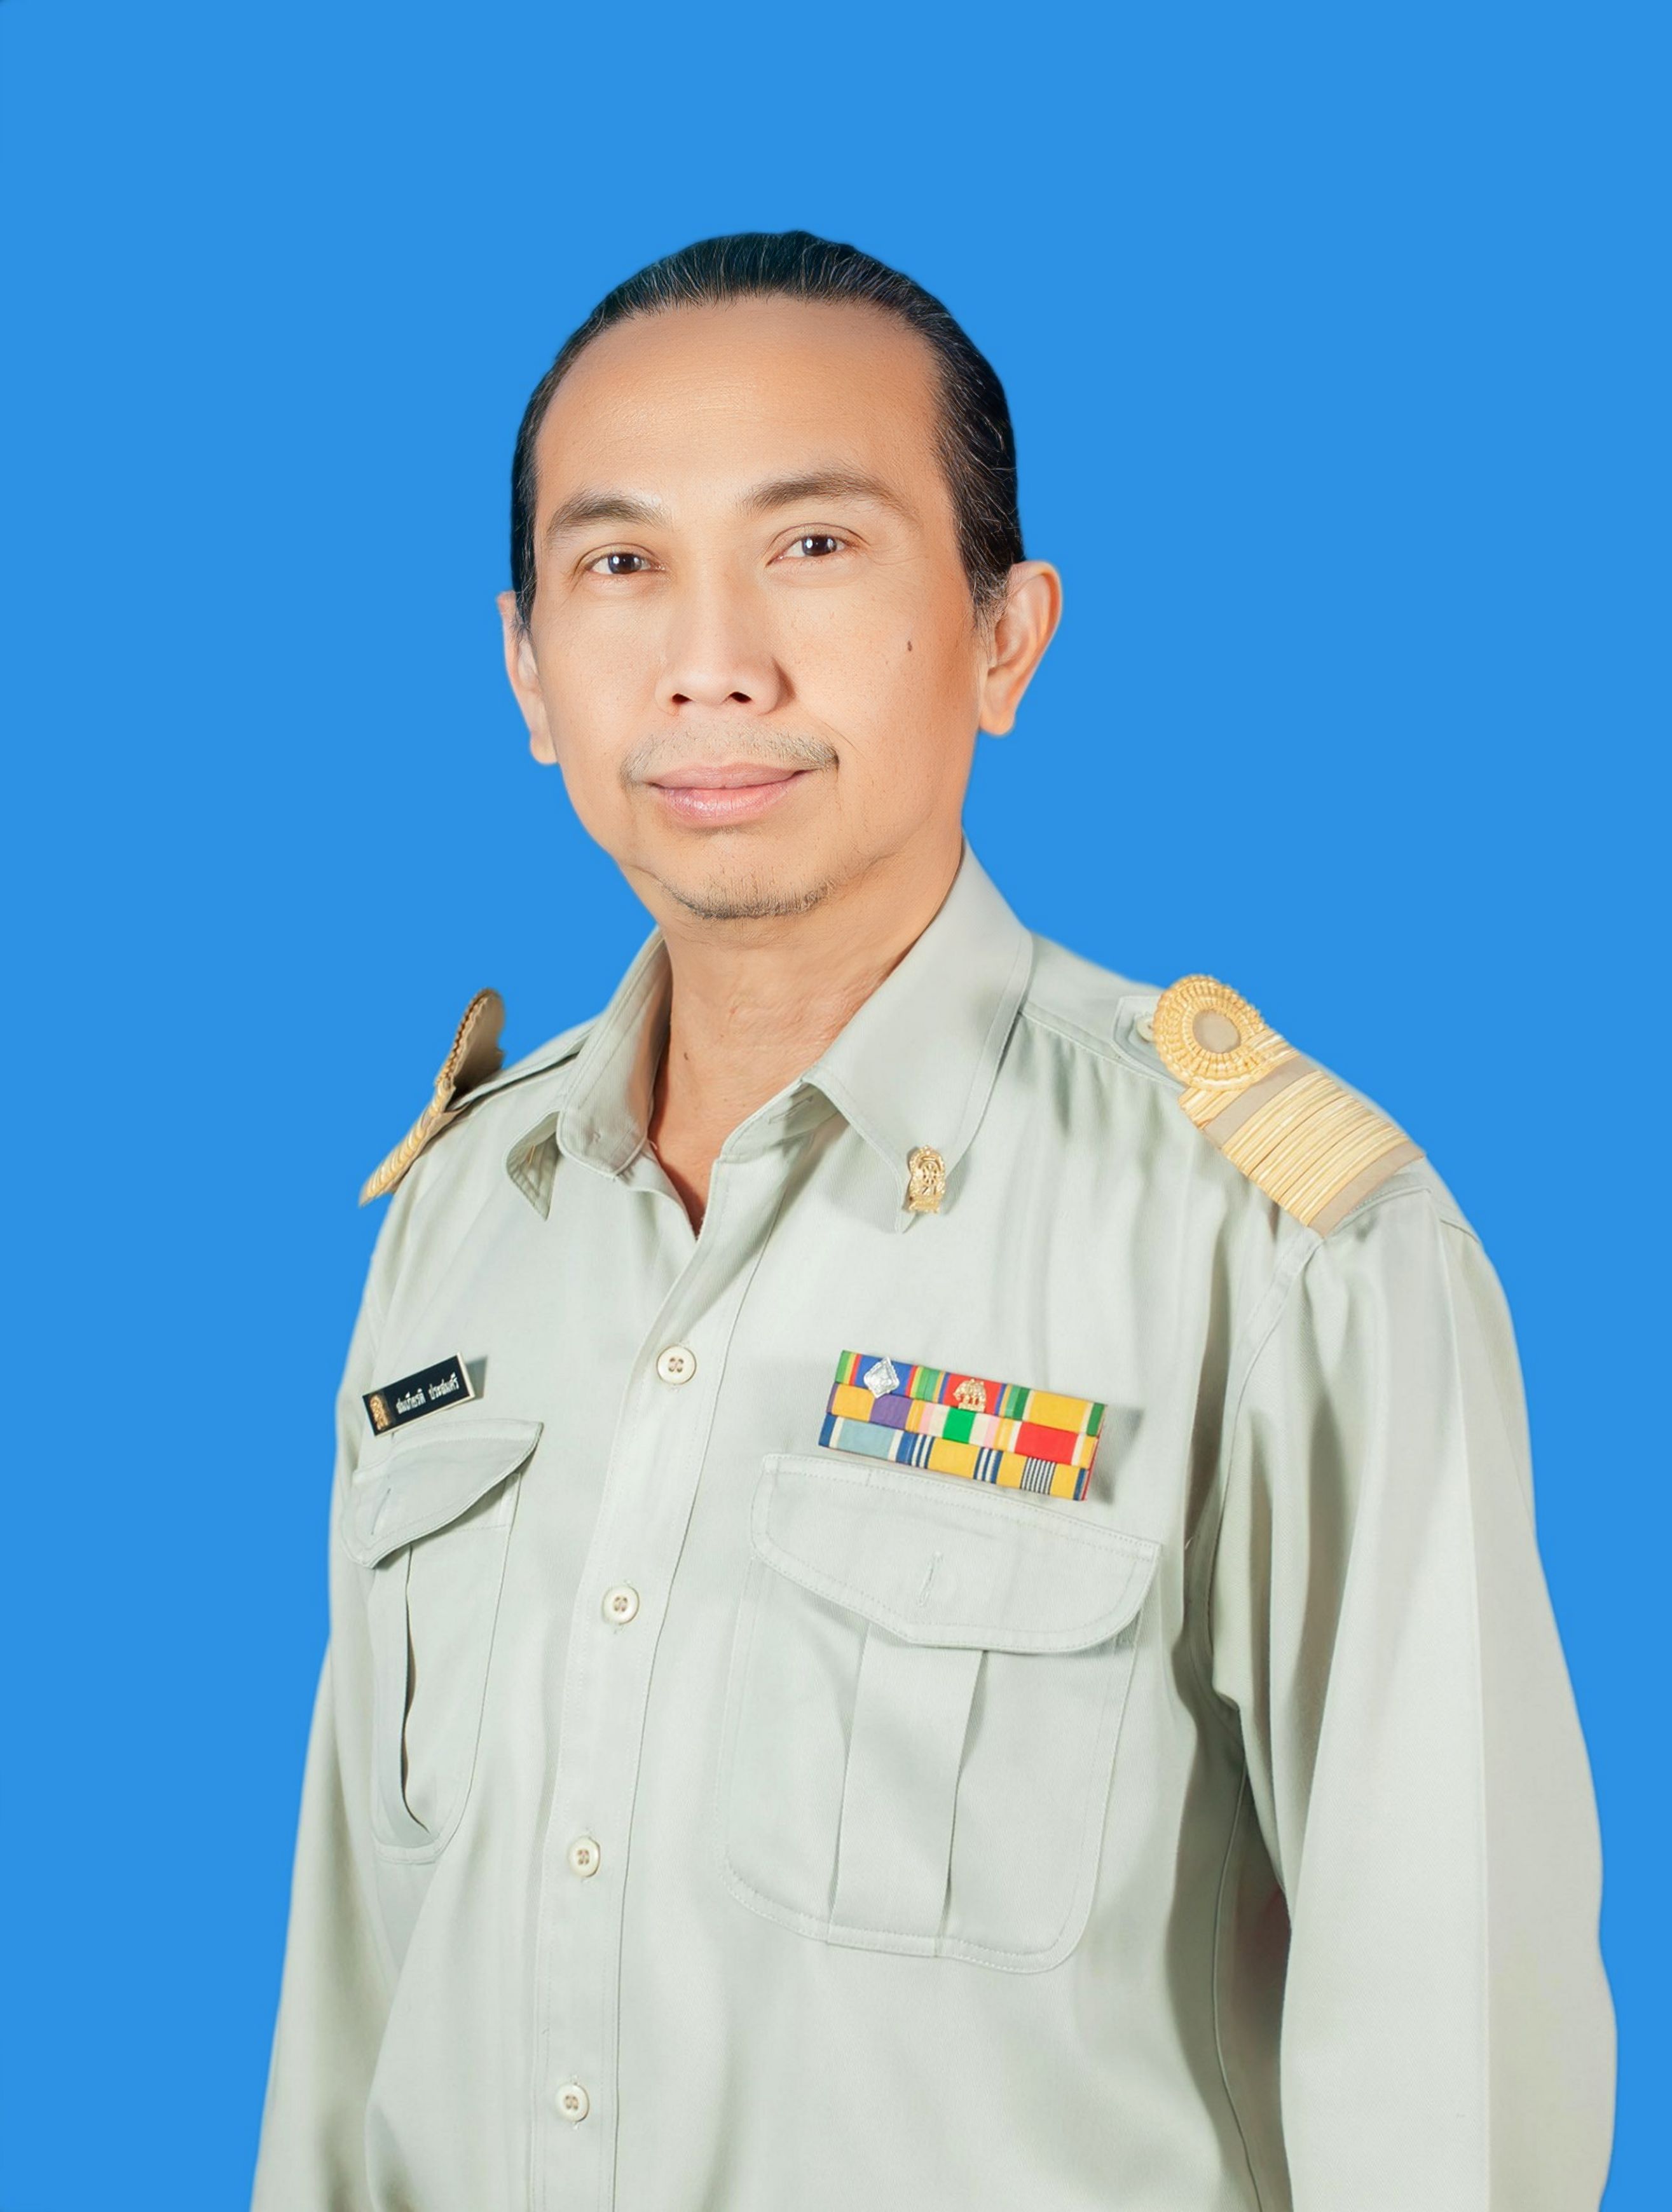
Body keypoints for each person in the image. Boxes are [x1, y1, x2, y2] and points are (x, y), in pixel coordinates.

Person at [252, 231, 1614, 2212]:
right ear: (528, 669)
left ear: (1004, 634)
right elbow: (359, 2002)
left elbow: (1452, 2068)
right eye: (620, 564)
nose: (713, 660)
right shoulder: (466, 1219)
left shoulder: (1276, 1251)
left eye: (814, 545)